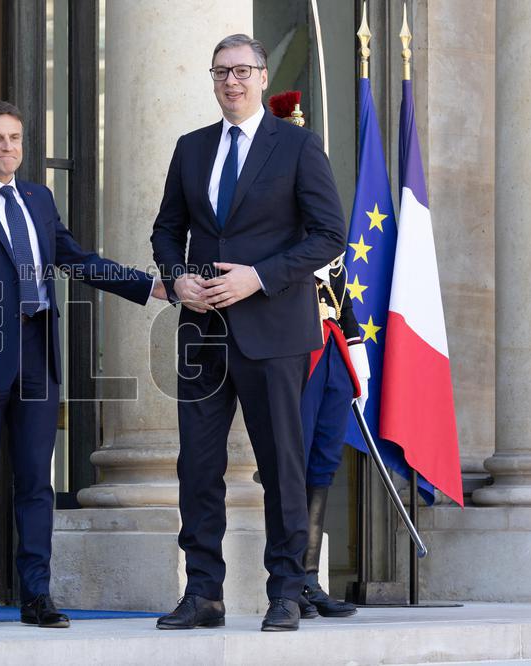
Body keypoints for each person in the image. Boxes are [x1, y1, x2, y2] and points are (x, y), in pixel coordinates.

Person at [0, 100, 165, 629]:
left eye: (16, 138)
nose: (9, 148)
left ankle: (36, 596)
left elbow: (76, 260)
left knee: (35, 484)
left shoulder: (38, 199)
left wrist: (151, 286)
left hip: (38, 357)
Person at [150, 34, 346, 632]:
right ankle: (203, 594)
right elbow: (166, 230)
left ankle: (286, 590)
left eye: (241, 71)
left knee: (282, 464)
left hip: (274, 329)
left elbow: (328, 234)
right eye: (220, 72)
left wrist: (258, 278)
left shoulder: (298, 146)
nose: (230, 81)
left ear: (263, 77)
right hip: (201, 330)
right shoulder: (190, 149)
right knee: (198, 465)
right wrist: (177, 276)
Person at [298, 257, 368, 619]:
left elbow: (343, 304)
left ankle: (309, 578)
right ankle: (288, 579)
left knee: (323, 464)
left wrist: (356, 353)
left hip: (333, 349)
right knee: (292, 462)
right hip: (295, 351)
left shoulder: (328, 248)